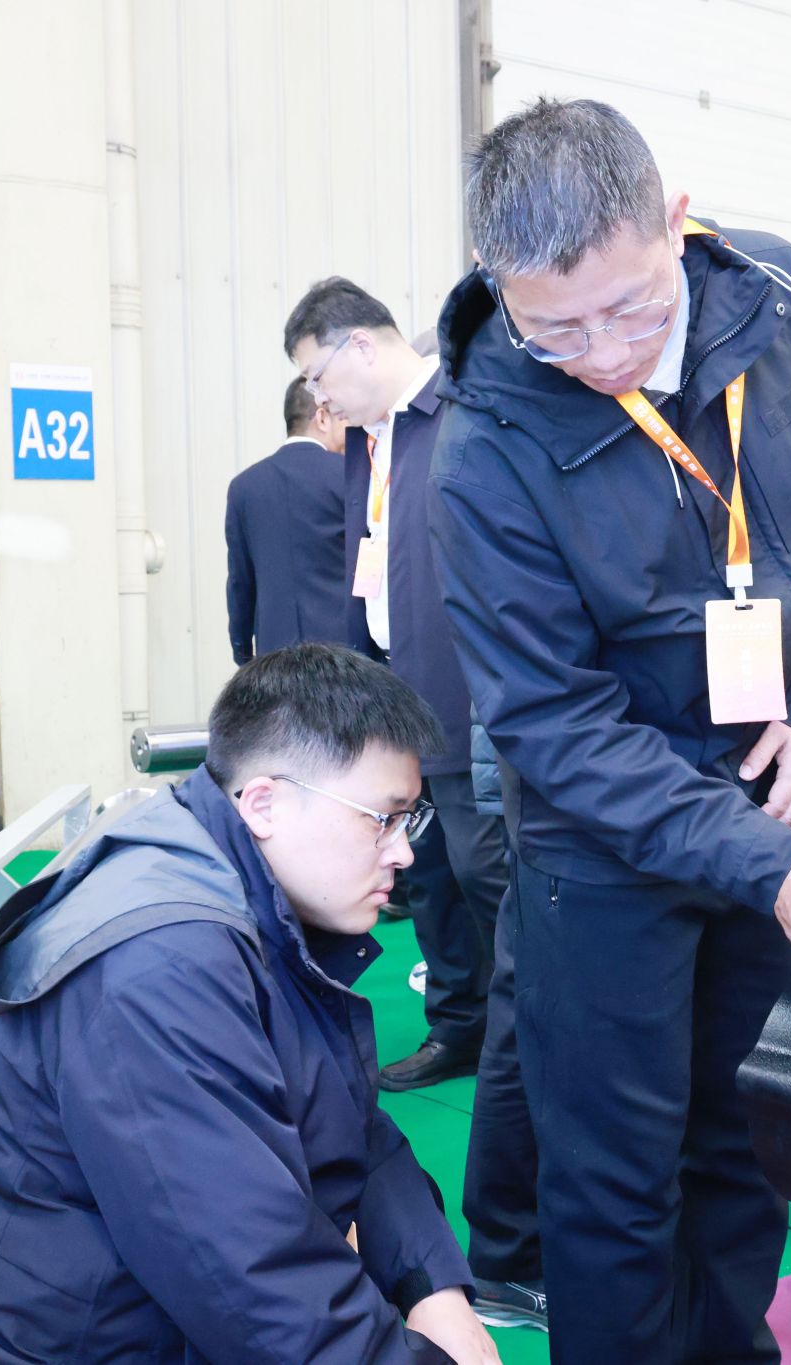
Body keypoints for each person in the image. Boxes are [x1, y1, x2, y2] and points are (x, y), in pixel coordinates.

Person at [428, 97, 791, 1363]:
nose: (602, 355)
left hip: (777, 787)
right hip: (602, 852)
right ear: (496, 281)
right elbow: (554, 722)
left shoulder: (786, 304)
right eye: (556, 328)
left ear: (677, 224)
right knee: (612, 1183)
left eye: (632, 311)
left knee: (743, 1142)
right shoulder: (480, 445)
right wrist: (761, 859)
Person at [0, 643, 499, 1365]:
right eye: (381, 819)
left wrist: (433, 1289)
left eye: (408, 820)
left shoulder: (232, 877)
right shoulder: (159, 966)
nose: (403, 853)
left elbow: (347, 1122)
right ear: (264, 803)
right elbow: (255, 1284)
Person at [285, 279, 543, 1328]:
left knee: (485, 875)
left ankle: (509, 1039)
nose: (320, 399)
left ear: (357, 346)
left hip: (471, 703)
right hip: (401, 696)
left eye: (318, 375)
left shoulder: (463, 411)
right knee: (425, 876)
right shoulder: (370, 442)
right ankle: (457, 1024)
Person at [224, 378, 351, 663]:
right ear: (322, 417)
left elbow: (240, 582)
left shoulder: (245, 486)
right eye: (342, 416)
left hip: (274, 653)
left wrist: (243, 652)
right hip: (345, 655)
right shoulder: (350, 474)